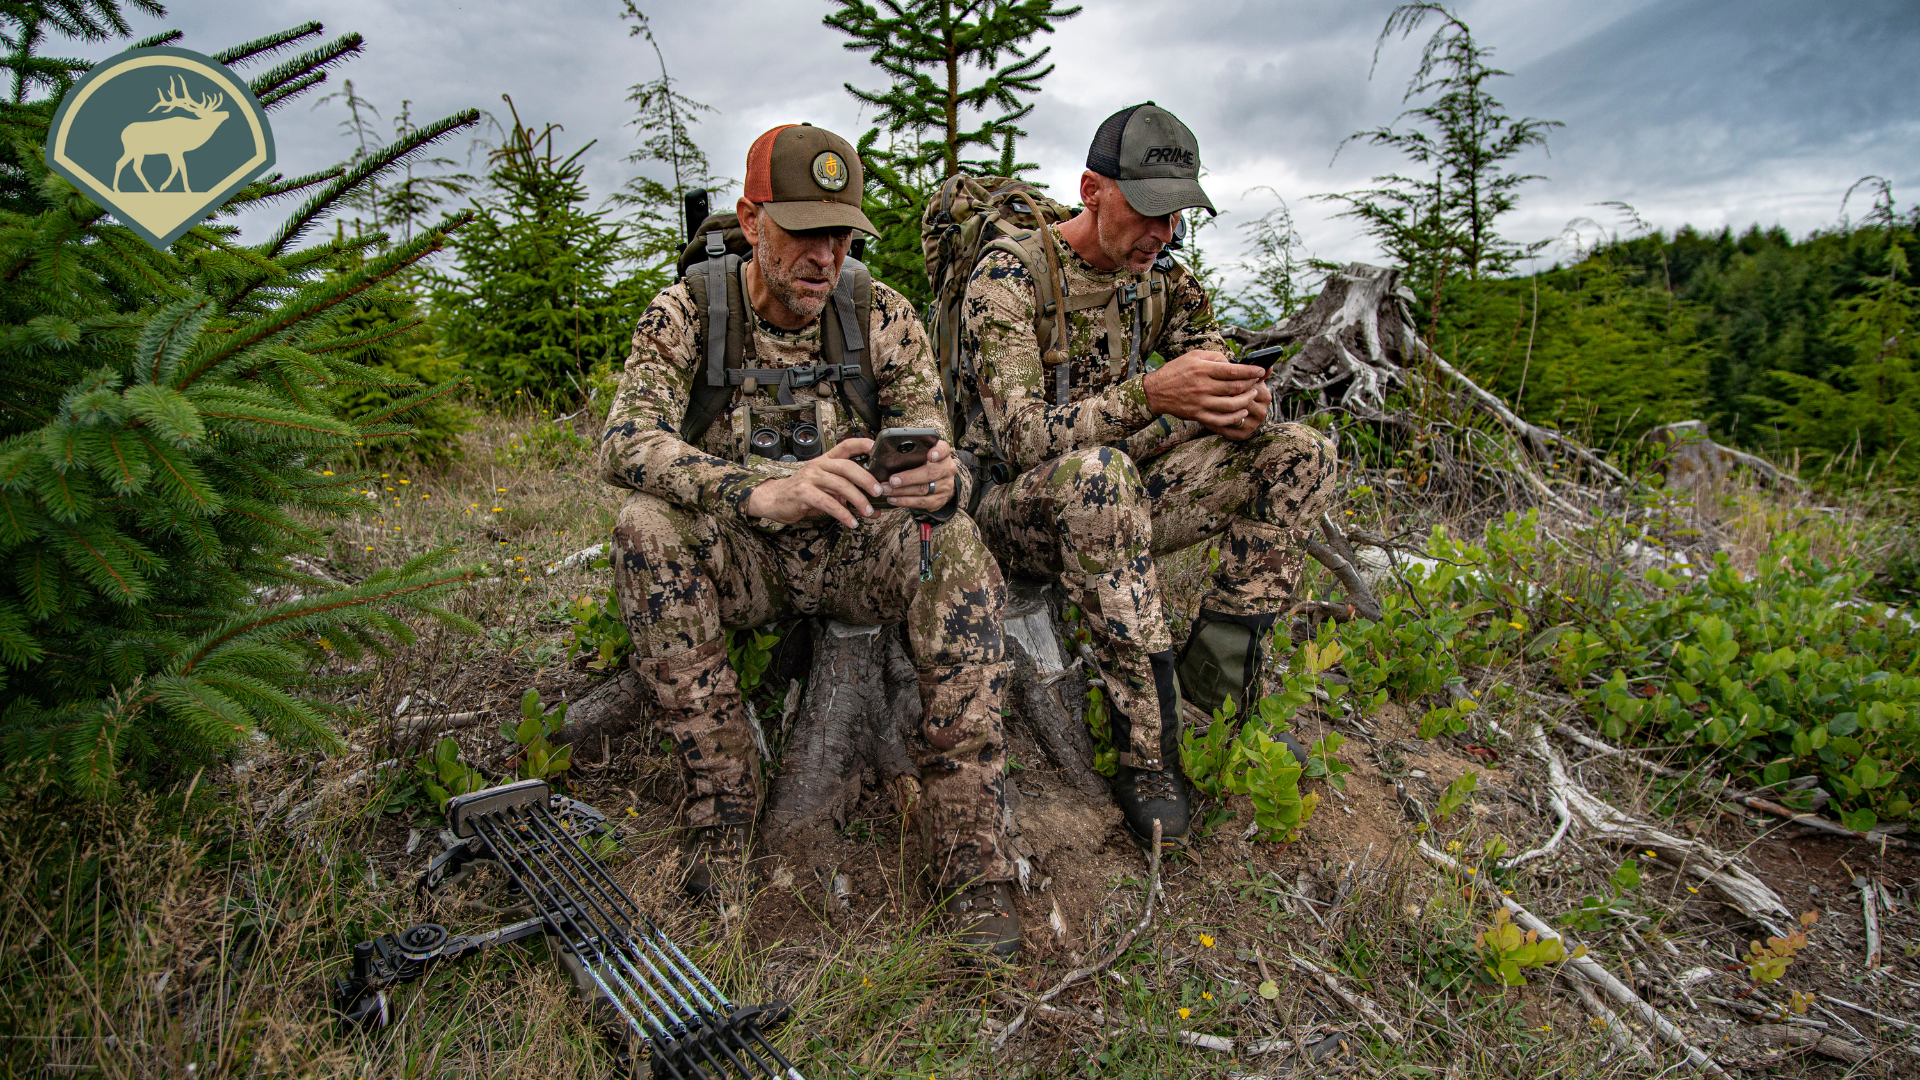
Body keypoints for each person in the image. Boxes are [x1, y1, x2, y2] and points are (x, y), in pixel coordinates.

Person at [597, 123, 1020, 956]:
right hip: (747, 557)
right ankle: (723, 806)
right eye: (802, 232)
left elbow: (936, 439)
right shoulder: (691, 311)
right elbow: (625, 441)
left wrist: (944, 481)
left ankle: (971, 849)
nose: (824, 257)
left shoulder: (879, 312)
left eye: (840, 235)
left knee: (959, 539)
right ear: (753, 220)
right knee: (643, 527)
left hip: (859, 552)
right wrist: (760, 490)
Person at [957, 103, 1337, 852]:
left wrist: (1241, 406)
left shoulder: (1167, 280)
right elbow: (1022, 438)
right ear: (1092, 189)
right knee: (1100, 476)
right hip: (1013, 510)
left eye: (1177, 216)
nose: (1162, 234)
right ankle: (1146, 754)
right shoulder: (1008, 280)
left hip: (1123, 489)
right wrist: (1153, 397)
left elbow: (1213, 374)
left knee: (1301, 452)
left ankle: (1217, 699)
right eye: (1147, 212)